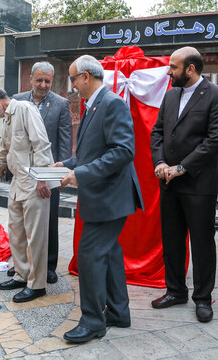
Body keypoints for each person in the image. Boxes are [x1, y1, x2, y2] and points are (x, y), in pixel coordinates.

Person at [56, 55, 143, 343]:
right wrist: (68, 164)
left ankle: (93, 321)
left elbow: (123, 151)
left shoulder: (111, 103)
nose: (71, 86)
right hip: (104, 196)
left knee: (91, 256)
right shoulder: (95, 103)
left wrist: (80, 174)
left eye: (72, 79)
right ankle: (118, 312)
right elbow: (91, 152)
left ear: (85, 76)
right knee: (110, 254)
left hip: (110, 197)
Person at [150, 46, 218, 323]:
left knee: (201, 243)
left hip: (198, 183)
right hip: (168, 182)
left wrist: (182, 167)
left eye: (173, 67)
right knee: (172, 240)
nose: (168, 71)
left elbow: (216, 140)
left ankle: (203, 299)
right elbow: (158, 131)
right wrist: (160, 163)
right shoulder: (171, 95)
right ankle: (175, 291)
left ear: (190, 69)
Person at [0, 87, 54, 303]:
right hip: (17, 183)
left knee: (35, 236)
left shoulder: (26, 110)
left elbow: (41, 144)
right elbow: (3, 151)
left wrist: (42, 178)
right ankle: (21, 275)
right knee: (16, 232)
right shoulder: (7, 119)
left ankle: (37, 285)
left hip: (34, 183)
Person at [12, 61, 72, 284]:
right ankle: (23, 266)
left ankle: (48, 265)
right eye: (39, 80)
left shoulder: (61, 104)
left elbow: (64, 144)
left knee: (49, 222)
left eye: (48, 81)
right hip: (22, 174)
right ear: (30, 79)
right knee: (21, 224)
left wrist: (60, 175)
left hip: (47, 174)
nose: (44, 85)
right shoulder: (17, 101)